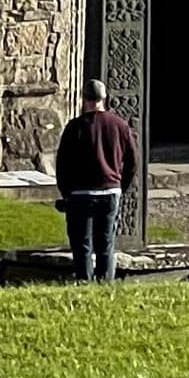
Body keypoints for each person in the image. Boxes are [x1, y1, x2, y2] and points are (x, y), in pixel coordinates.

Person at [53, 76, 139, 283]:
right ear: (105, 98)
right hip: (110, 190)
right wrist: (120, 185)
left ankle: (84, 280)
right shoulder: (120, 126)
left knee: (82, 243)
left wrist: (67, 193)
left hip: (81, 193)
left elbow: (62, 164)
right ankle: (105, 282)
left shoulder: (75, 127)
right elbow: (133, 161)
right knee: (106, 242)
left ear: (84, 99)